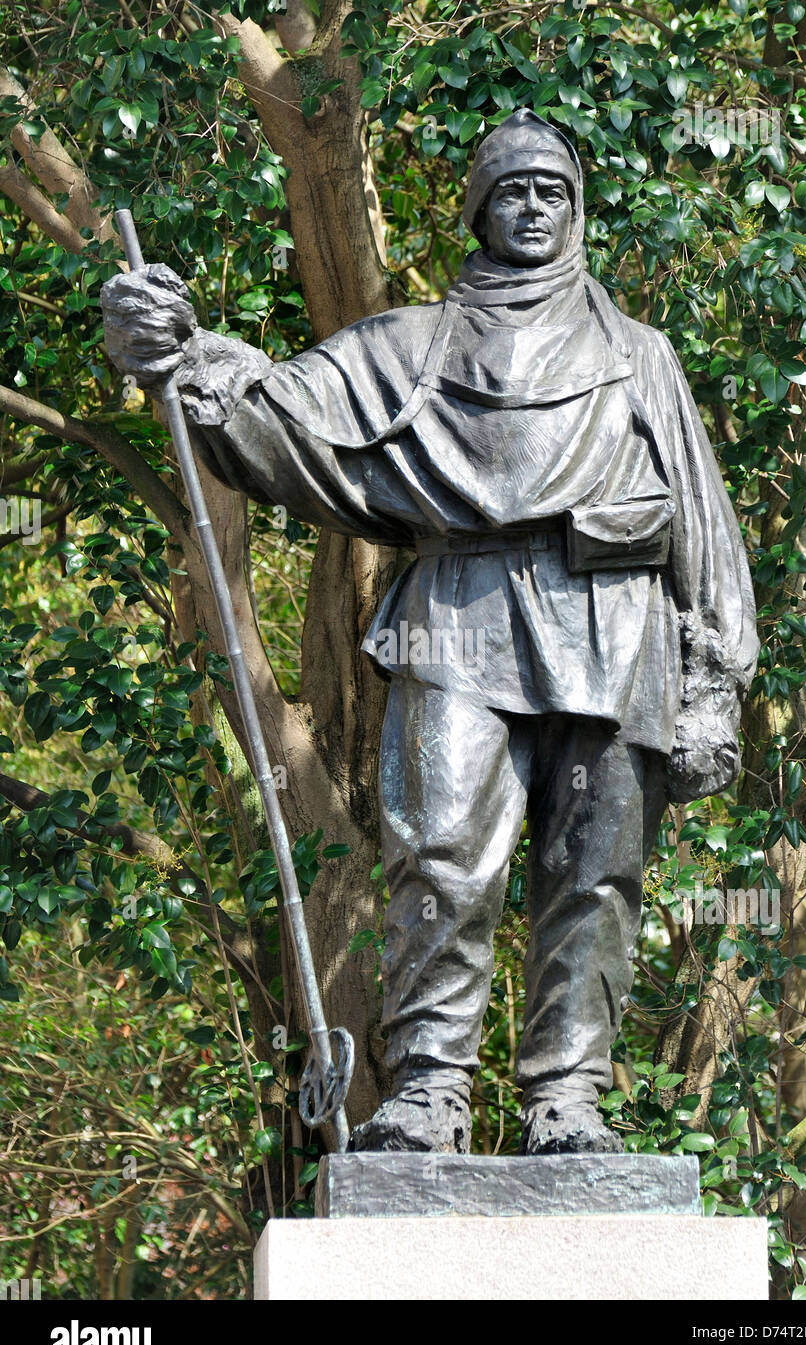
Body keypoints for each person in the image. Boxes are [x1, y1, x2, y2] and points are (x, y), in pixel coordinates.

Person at [102, 109, 757, 1155]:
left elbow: (702, 525)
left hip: (617, 628)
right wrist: (174, 352)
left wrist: (716, 674)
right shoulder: (408, 345)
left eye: (552, 189)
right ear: (475, 210)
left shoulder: (639, 355)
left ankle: (566, 1099)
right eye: (510, 190)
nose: (533, 207)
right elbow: (277, 413)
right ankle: (428, 1090)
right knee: (440, 855)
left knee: (594, 872)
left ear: (577, 208)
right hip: (457, 619)